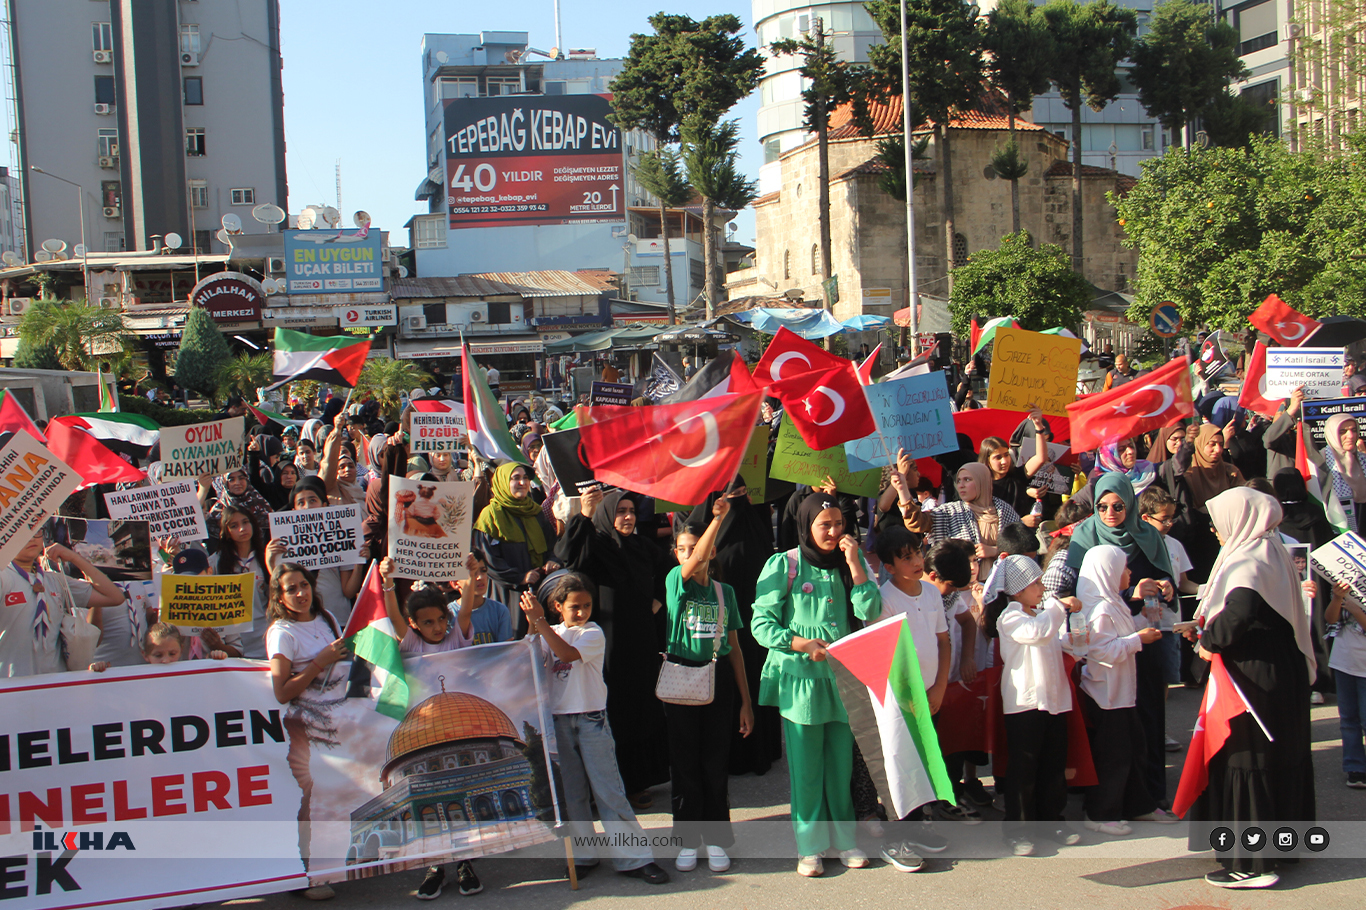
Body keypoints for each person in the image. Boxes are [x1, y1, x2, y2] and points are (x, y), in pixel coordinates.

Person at [1183, 488, 1316, 890]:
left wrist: (1207, 642)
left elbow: (1236, 614)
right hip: (1282, 670)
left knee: (1246, 760)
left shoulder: (1247, 561)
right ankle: (1282, 847)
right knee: (1282, 758)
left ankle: (1252, 864)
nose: (1217, 531)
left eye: (1220, 521)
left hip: (1253, 677)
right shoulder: (1272, 549)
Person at [750, 493, 881, 877]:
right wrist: (801, 644)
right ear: (806, 525)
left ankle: (845, 840)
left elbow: (869, 612)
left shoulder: (847, 563)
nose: (834, 531)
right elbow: (762, 623)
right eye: (825, 524)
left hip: (843, 678)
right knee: (806, 768)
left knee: (839, 767)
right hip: (801, 683)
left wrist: (856, 564)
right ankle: (809, 847)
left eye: (839, 523)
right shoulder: (785, 564)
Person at [520, 574, 670, 885]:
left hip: (590, 721)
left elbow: (567, 655)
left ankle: (634, 857)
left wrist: (541, 624)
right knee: (573, 795)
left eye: (587, 606)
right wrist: (533, 625)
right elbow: (530, 659)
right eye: (575, 607)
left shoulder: (592, 633)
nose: (582, 612)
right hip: (559, 722)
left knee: (608, 790)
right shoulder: (553, 631)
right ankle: (584, 855)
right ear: (557, 606)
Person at [1064, 473, 1178, 817]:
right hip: (1110, 641)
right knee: (1114, 735)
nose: (1110, 512)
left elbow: (1165, 574)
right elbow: (1081, 593)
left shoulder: (1147, 535)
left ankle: (1150, 795)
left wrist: (1165, 586)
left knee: (1147, 720)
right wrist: (1130, 593)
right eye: (1102, 506)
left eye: (1118, 505)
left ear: (1130, 504)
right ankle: (1107, 802)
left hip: (1147, 635)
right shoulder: (1084, 537)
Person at [555, 487, 672, 807]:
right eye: (620, 512)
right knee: (613, 710)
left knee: (641, 708)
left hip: (641, 641)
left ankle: (637, 781)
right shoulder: (597, 546)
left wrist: (659, 601)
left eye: (632, 511)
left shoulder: (642, 546)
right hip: (608, 644)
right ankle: (606, 785)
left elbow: (669, 568)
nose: (628, 517)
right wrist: (585, 516)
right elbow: (568, 554)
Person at [664, 497, 753, 873]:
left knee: (715, 764)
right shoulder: (675, 583)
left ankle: (717, 839)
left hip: (716, 681)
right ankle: (687, 840)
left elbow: (735, 650)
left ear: (712, 550)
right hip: (681, 677)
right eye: (681, 550)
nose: (690, 556)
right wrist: (716, 518)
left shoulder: (724, 593)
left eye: (695, 548)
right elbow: (692, 566)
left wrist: (746, 702)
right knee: (684, 766)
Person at [982, 555, 1083, 855]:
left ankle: (1052, 821)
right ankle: (1018, 830)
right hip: (1024, 703)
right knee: (1024, 767)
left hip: (1054, 700)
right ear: (1017, 590)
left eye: (1040, 581)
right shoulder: (1010, 618)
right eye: (1035, 583)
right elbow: (1037, 633)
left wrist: (1077, 636)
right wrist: (1059, 605)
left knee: (1053, 764)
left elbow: (1059, 640)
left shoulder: (1042, 614)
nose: (1041, 588)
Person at [680, 480, 781, 775]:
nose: (738, 500)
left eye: (742, 494)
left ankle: (763, 748)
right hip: (722, 625)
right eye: (731, 495)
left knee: (756, 678)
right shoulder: (706, 541)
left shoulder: (756, 524)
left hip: (757, 625)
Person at [265, 562, 350, 901]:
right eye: (291, 589)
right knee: (310, 801)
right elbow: (281, 691)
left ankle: (331, 864)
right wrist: (320, 662)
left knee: (333, 796)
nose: (301, 593)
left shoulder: (327, 618)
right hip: (304, 725)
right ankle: (305, 875)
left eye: (304, 585)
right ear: (280, 597)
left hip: (337, 719)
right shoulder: (281, 632)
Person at [872, 526, 952, 872]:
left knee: (926, 762)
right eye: (906, 558)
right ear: (889, 566)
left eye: (918, 553)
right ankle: (896, 838)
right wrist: (907, 697)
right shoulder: (884, 599)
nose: (917, 561)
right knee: (900, 766)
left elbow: (944, 642)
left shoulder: (932, 594)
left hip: (930, 694)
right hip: (900, 701)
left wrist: (940, 687)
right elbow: (883, 657)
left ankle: (920, 826)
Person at [1071, 546, 1164, 835]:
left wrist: (1146, 620)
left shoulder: (1111, 602)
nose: (1129, 573)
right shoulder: (1099, 609)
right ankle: (1100, 813)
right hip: (1106, 693)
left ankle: (1138, 806)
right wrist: (1139, 639)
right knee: (1113, 756)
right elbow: (1100, 650)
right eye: (1124, 568)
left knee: (1134, 749)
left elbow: (1121, 634)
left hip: (1121, 692)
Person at [1, 531, 126, 678]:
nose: (31, 538)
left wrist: (74, 557)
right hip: (11, 683)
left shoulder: (56, 580)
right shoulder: (4, 578)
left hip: (56, 681)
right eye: (22, 533)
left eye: (36, 532)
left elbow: (114, 597)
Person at [1137, 485, 1200, 748]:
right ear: (1145, 518)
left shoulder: (1174, 545)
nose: (1170, 524)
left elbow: (1184, 582)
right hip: (1142, 622)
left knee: (1164, 677)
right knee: (1143, 679)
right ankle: (1144, 730)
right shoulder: (1136, 544)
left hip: (1168, 622)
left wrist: (1208, 589)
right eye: (1164, 519)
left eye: (1172, 518)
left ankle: (1159, 730)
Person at [473, 463, 560, 631]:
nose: (523, 482)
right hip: (508, 593)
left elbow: (552, 544)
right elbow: (487, 559)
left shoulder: (535, 512)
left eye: (526, 478)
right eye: (516, 478)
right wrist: (519, 577)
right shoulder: (490, 516)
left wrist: (552, 560)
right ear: (503, 482)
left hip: (539, 589)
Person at [928, 463, 1022, 582]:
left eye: (967, 480)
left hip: (1004, 582)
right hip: (964, 586)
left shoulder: (1004, 510)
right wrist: (903, 491)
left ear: (982, 482)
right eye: (959, 481)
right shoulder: (949, 512)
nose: (961, 486)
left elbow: (1024, 548)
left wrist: (994, 551)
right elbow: (919, 522)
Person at [1325, 581, 1366, 789]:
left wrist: (1356, 611)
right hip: (1343, 663)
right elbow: (1330, 619)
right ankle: (1355, 768)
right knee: (1348, 719)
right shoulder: (1349, 586)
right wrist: (1338, 598)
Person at [90, 622, 227, 671]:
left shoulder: (192, 673)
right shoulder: (135, 679)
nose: (166, 661)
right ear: (145, 655)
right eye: (158, 655)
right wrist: (99, 670)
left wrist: (217, 659)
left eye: (172, 654)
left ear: (181, 649)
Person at [1318, 413, 1366, 532]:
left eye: (1354, 430)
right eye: (1342, 432)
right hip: (1334, 529)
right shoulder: (1320, 461)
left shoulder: (1362, 459)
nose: (1350, 436)